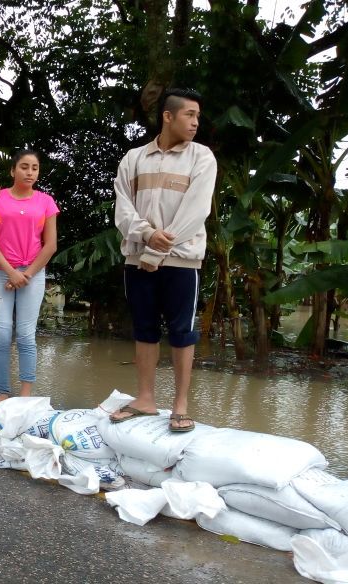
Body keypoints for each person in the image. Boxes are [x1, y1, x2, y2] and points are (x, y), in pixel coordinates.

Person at [110, 88, 217, 433]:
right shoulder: (134, 158)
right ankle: (145, 399)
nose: (195, 122)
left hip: (181, 262)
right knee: (144, 329)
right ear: (168, 116)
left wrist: (156, 251)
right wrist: (145, 234)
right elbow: (122, 208)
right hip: (137, 261)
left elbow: (195, 212)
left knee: (182, 332)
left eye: (198, 116)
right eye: (189, 115)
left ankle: (180, 405)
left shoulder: (201, 158)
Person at [0, 149, 59, 402]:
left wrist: (26, 275)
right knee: (2, 333)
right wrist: (12, 272)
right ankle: (3, 391)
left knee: (26, 334)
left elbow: (50, 245)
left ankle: (26, 393)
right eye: (24, 167)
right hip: (0, 273)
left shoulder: (46, 202)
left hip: (33, 275)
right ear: (13, 170)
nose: (29, 172)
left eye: (34, 167)